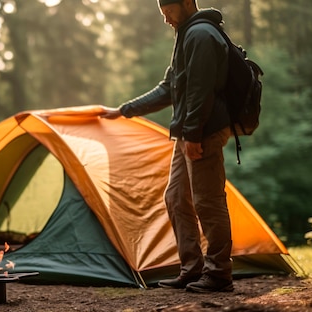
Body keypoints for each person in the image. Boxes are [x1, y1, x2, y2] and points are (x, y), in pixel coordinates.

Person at [100, 0, 234, 293]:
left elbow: (201, 91)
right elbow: (169, 88)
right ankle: (192, 269)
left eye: (168, 11)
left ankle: (219, 274)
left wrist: (193, 136)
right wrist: (124, 110)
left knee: (207, 202)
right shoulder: (186, 34)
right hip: (189, 131)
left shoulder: (201, 35)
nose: (166, 20)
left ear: (187, 2)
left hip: (203, 131)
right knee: (176, 197)